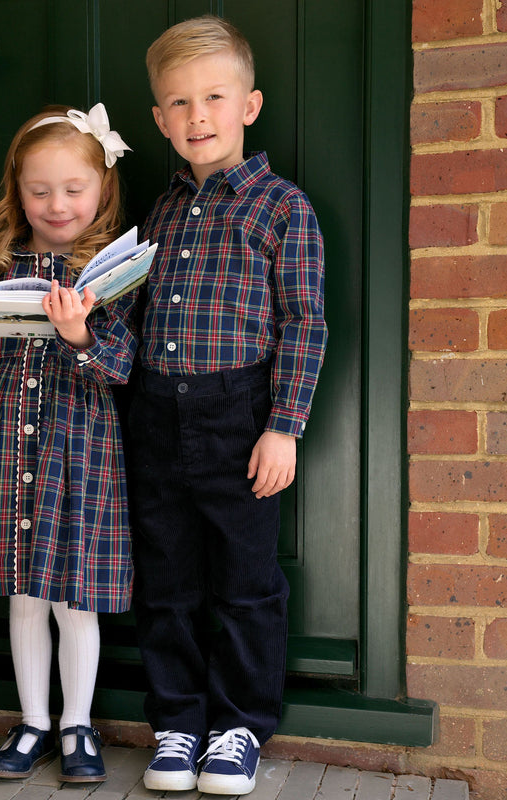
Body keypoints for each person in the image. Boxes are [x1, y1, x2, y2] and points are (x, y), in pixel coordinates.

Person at [126, 15, 328, 796]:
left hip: (238, 416)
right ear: (158, 119)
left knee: (246, 581)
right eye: (177, 103)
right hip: (153, 417)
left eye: (213, 97)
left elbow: (303, 324)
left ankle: (240, 727)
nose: (196, 116)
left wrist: (285, 426)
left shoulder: (282, 208)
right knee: (166, 578)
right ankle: (177, 723)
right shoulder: (161, 212)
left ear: (249, 105)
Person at [0, 103, 135, 783]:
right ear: (18, 192)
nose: (57, 204)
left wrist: (78, 336)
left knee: (75, 598)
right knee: (24, 593)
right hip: (1, 446)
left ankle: (78, 726)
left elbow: (122, 367)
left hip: (78, 449)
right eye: (39, 191)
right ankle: (34, 720)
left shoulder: (112, 273)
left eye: (73, 189)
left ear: (101, 190)